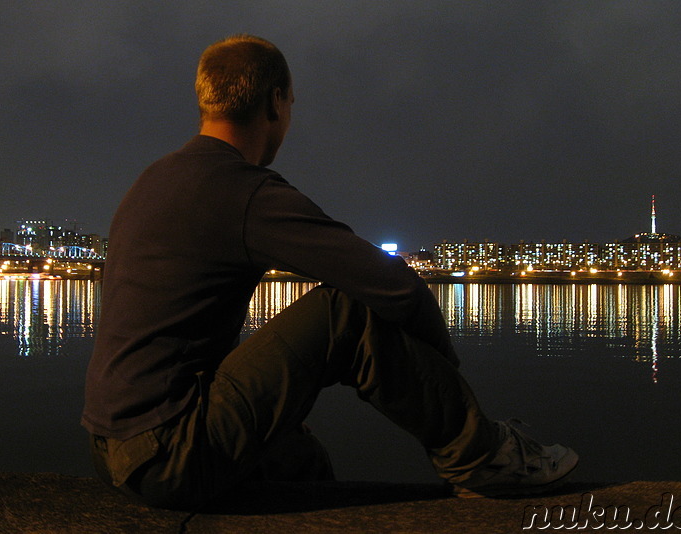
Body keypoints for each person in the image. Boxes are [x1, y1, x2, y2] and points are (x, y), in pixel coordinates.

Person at [82, 34, 578, 510]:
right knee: (345, 312)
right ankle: (485, 457)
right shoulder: (240, 189)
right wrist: (443, 363)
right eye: (292, 104)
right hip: (169, 452)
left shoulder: (156, 178)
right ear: (276, 102)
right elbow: (394, 287)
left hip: (118, 447)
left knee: (301, 459)